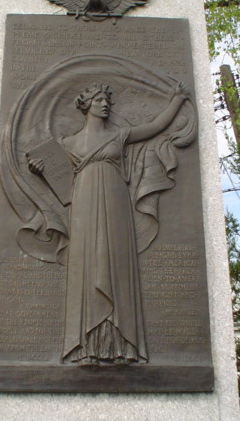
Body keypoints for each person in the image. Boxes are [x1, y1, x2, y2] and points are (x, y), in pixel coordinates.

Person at [29, 82, 190, 364]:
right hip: (84, 206)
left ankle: (123, 345)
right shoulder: (68, 144)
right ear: (86, 105)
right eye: (100, 100)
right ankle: (86, 347)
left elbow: (155, 126)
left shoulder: (119, 135)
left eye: (107, 100)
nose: (105, 105)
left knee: (115, 263)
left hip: (116, 203)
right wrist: (40, 170)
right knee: (88, 267)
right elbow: (60, 180)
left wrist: (176, 101)